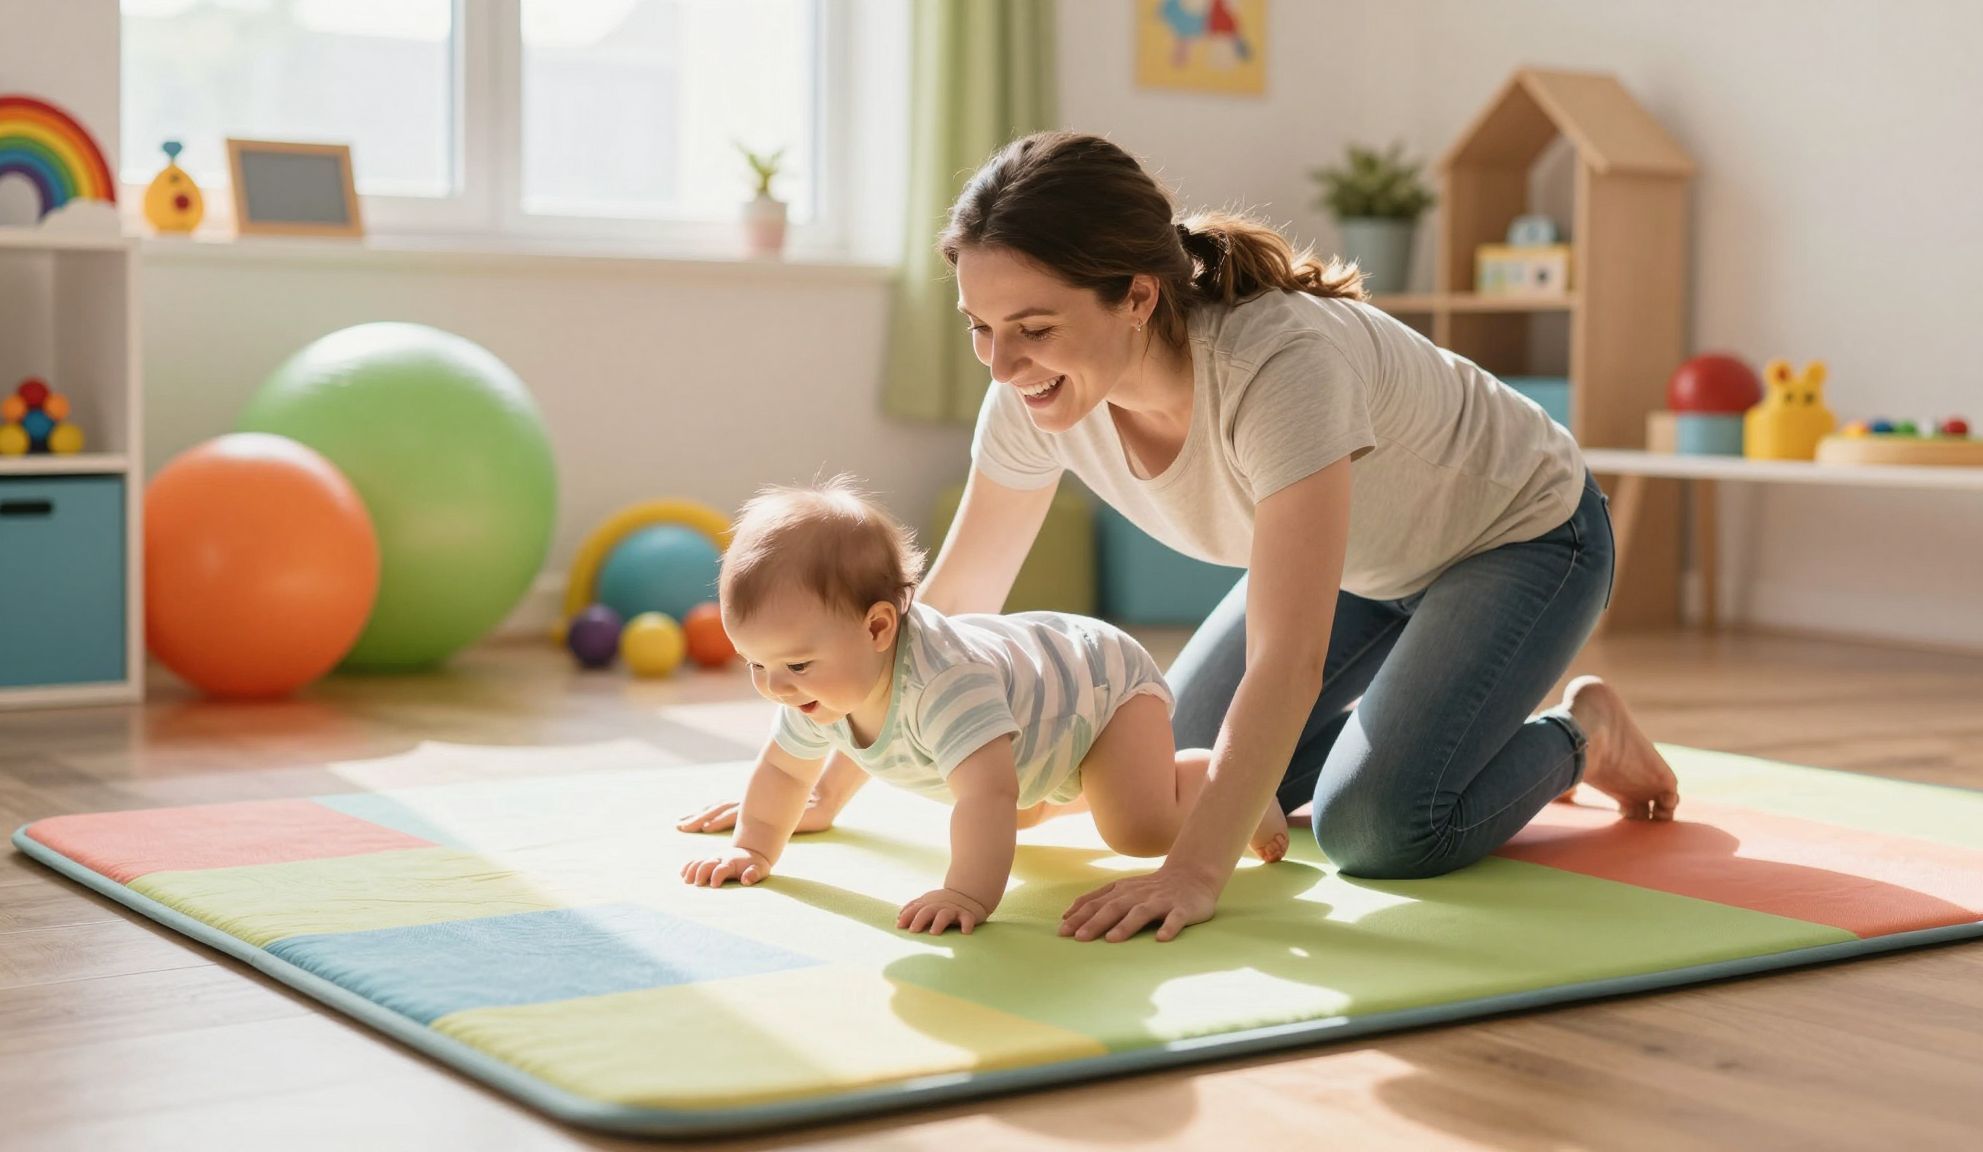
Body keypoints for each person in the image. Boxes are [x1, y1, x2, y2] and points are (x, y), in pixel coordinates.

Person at [686, 130, 1680, 946]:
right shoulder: (1032, 399)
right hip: (1357, 567)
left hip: (1517, 539)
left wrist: (1195, 873)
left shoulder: (1277, 367)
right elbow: (945, 612)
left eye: (1032, 326)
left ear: (1137, 295)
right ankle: (1414, 723)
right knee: (1164, 772)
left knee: (1375, 828)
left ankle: (1580, 735)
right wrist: (822, 781)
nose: (1003, 365)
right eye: (980, 328)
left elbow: (1286, 659)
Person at [678, 477, 1292, 936]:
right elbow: (785, 771)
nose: (774, 687)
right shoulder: (814, 683)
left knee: (1136, 828)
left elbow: (986, 797)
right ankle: (1094, 783)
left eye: (793, 665)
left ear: (878, 628)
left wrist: (966, 894)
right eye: (754, 664)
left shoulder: (945, 686)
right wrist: (754, 847)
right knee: (1015, 814)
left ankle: (1218, 785)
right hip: (1039, 719)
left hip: (1100, 688)